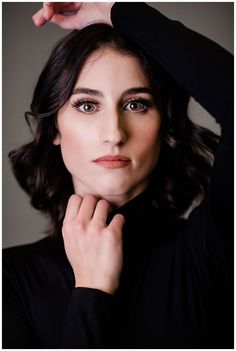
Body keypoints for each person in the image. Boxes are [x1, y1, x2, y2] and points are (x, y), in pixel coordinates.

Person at [3, 2, 233, 349]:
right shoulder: (10, 279)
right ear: (54, 129)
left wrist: (117, 10)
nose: (114, 133)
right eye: (87, 105)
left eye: (136, 104)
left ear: (164, 126)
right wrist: (92, 291)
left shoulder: (211, 247)